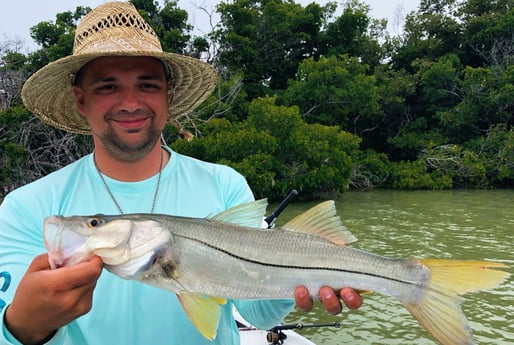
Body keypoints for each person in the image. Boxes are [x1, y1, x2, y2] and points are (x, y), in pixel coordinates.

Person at [0, 2, 362, 344]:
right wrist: (23, 326)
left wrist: (304, 281)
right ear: (81, 99)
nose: (130, 103)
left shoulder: (224, 184)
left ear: (167, 94)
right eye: (107, 86)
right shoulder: (26, 208)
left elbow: (259, 312)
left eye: (147, 84)